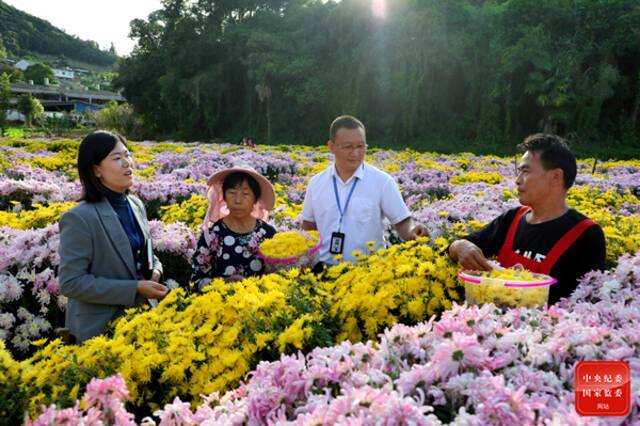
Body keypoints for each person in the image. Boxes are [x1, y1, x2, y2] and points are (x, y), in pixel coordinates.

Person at [448, 133, 606, 304]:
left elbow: (588, 302)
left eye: (525, 171)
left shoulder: (586, 235)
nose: (517, 180)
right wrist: (460, 246)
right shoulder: (512, 219)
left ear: (556, 177)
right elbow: (460, 246)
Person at [58, 131, 167, 344]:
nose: (127, 163)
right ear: (96, 170)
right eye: (117, 158)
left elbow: (144, 254)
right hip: (99, 331)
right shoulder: (79, 217)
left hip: (141, 320)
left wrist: (155, 270)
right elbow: (71, 283)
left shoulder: (136, 205)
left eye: (128, 155)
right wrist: (134, 288)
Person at [301, 115, 427, 267]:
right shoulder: (316, 184)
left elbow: (402, 221)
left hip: (367, 274)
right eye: (348, 146)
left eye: (360, 146)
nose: (355, 153)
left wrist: (413, 231)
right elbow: (308, 225)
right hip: (323, 271)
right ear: (331, 147)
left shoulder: (382, 182)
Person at [190, 167, 277, 290]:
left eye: (245, 194)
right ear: (224, 197)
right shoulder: (212, 235)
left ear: (255, 199)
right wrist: (224, 284)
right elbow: (196, 280)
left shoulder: (268, 234)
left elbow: (280, 275)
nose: (238, 200)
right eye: (232, 193)